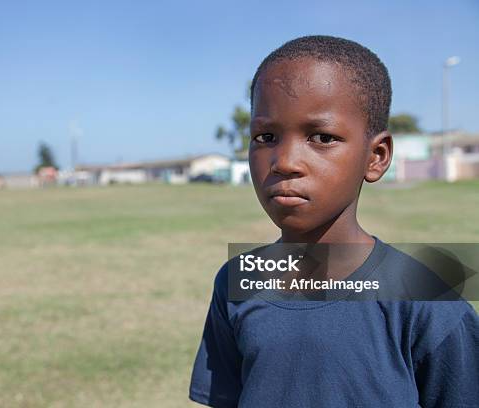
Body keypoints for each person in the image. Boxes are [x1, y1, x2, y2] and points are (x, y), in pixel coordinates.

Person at [189, 35, 479, 408]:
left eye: (322, 137)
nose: (285, 161)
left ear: (376, 156)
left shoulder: (429, 298)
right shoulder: (237, 279)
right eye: (266, 136)